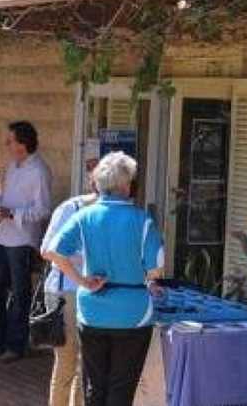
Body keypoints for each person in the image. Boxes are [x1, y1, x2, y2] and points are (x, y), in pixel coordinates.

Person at [44, 151, 164, 406]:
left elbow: (53, 251)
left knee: (94, 387)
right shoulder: (142, 220)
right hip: (133, 314)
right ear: (125, 184)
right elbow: (157, 269)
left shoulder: (84, 216)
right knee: (121, 388)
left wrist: (82, 280)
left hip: (92, 311)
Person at [0, 121, 53, 362]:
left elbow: (42, 210)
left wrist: (12, 214)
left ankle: (15, 345)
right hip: (3, 236)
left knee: (20, 295)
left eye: (10, 140)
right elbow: (12, 198)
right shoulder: (13, 165)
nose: (7, 144)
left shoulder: (40, 171)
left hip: (22, 240)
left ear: (23, 144)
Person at [40, 188, 98, 406]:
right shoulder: (70, 208)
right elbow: (46, 250)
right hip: (66, 292)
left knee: (87, 365)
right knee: (66, 363)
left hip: (91, 295)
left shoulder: (106, 213)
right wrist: (82, 262)